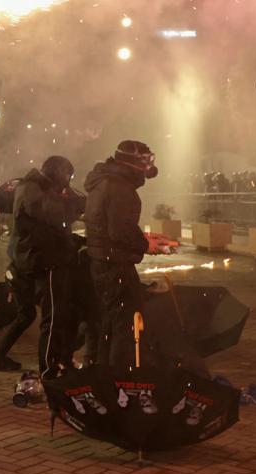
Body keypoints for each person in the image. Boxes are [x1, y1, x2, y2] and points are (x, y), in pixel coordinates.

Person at [0, 156, 85, 378]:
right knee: (54, 317)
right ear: (57, 172)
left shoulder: (34, 188)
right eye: (67, 175)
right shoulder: (32, 189)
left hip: (30, 260)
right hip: (42, 262)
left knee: (28, 314)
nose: (68, 181)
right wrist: (76, 207)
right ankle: (50, 369)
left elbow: (45, 225)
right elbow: (53, 216)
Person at [83, 140, 157, 377]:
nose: (148, 166)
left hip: (102, 261)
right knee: (125, 324)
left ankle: (103, 374)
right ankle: (120, 379)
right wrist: (146, 244)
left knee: (109, 321)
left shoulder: (105, 182)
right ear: (132, 162)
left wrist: (142, 238)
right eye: (145, 161)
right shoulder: (120, 188)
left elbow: (112, 224)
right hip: (115, 265)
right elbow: (119, 231)